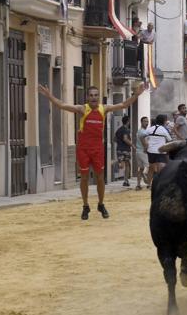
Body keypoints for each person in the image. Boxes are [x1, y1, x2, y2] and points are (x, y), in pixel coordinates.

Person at [38, 82, 147, 220]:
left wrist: (136, 95)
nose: (94, 98)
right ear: (87, 97)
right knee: (84, 178)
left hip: (97, 148)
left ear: (98, 97)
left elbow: (123, 105)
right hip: (83, 149)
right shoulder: (82, 109)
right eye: (91, 95)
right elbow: (62, 105)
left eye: (96, 95)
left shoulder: (104, 109)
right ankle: (85, 206)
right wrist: (49, 96)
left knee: (100, 178)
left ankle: (101, 204)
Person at [142, 114, 172, 187]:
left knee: (151, 168)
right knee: (161, 169)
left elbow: (142, 136)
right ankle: (159, 184)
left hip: (151, 151)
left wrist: (145, 146)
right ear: (164, 121)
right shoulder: (164, 129)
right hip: (160, 151)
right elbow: (170, 140)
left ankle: (149, 184)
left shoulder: (150, 128)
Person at [115, 115, 135, 187]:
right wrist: (132, 145)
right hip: (125, 149)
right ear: (128, 121)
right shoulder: (126, 129)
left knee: (122, 164)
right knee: (127, 165)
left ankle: (118, 163)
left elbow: (114, 139)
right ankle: (126, 180)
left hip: (119, 149)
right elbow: (125, 139)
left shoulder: (118, 130)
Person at [134, 116, 150, 190]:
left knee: (140, 168)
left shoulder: (139, 131)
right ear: (141, 122)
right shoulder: (143, 132)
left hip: (138, 151)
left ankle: (138, 184)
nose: (146, 123)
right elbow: (144, 142)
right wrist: (146, 149)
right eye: (145, 121)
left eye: (147, 121)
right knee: (148, 167)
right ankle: (148, 183)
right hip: (143, 151)